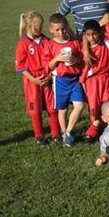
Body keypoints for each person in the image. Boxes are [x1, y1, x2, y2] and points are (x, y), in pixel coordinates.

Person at [15, 11, 60, 145]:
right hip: (32, 82)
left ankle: (56, 134)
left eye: (41, 25)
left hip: (47, 79)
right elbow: (21, 67)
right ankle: (39, 136)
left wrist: (50, 75)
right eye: (36, 26)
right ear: (28, 26)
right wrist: (33, 79)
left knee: (52, 108)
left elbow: (54, 61)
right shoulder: (23, 43)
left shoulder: (47, 41)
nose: (39, 28)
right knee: (35, 110)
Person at [43, 13, 85, 146]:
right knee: (62, 109)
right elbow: (47, 66)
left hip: (75, 79)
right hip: (60, 81)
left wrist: (75, 59)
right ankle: (64, 133)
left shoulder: (74, 42)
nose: (61, 32)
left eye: (63, 29)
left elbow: (82, 60)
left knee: (80, 105)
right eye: (57, 30)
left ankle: (68, 131)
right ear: (51, 29)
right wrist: (56, 59)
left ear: (67, 27)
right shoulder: (50, 44)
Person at [79, 20, 109, 142]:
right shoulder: (84, 50)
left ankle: (103, 128)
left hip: (106, 79)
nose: (91, 37)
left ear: (99, 33)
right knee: (94, 105)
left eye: (94, 34)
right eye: (88, 35)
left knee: (107, 103)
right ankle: (95, 127)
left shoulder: (105, 43)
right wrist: (83, 82)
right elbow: (84, 68)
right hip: (92, 82)